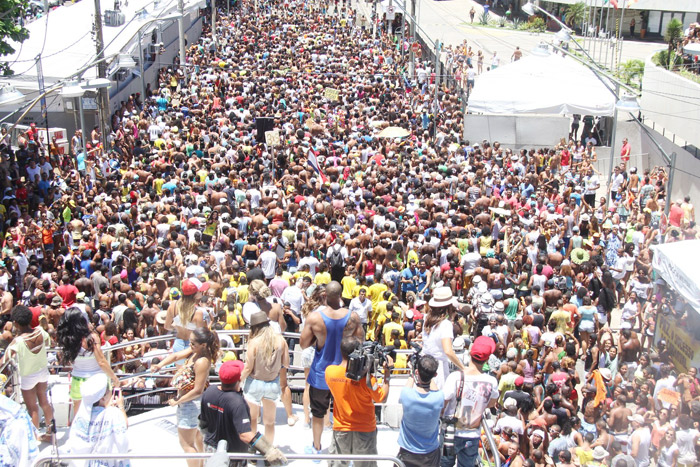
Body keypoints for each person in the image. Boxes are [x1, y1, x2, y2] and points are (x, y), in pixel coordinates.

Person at [300, 281, 363, 456]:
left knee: (318, 413)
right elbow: (360, 344)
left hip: (321, 373)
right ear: (341, 296)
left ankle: (317, 449)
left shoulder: (314, 318)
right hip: (346, 373)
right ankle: (345, 452)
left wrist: (317, 339)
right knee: (345, 413)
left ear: (325, 295)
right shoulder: (353, 317)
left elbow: (303, 344)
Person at [152, 327, 219, 467]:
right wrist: (160, 365)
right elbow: (176, 356)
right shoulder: (196, 352)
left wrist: (178, 401)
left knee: (187, 445)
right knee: (196, 438)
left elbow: (198, 390)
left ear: (203, 345)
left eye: (193, 343)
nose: (190, 345)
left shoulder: (202, 361)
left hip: (190, 405)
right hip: (190, 403)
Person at [200, 360, 288, 467]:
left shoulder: (209, 392)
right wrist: (269, 450)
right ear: (239, 379)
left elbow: (203, 422)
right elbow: (245, 435)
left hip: (211, 450)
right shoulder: (237, 402)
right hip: (233, 455)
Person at [324, 337, 392, 467]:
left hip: (341, 428)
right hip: (365, 429)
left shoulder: (330, 372)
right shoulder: (367, 380)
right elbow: (382, 398)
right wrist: (387, 376)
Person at [441, 336, 499, 467]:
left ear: (470, 353)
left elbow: (442, 404)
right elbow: (491, 404)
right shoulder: (491, 381)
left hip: (451, 432)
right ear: (487, 359)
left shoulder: (455, 377)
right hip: (472, 434)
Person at [57, 308, 120, 421]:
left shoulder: (67, 340)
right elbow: (101, 361)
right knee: (104, 414)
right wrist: (114, 377)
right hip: (96, 380)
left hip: (77, 381)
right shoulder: (91, 338)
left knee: (78, 417)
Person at [3, 305, 54, 441]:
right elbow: (50, 342)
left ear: (16, 323)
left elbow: (3, 361)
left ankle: (32, 440)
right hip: (42, 372)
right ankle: (50, 434)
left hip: (28, 377)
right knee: (44, 402)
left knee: (33, 409)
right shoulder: (40, 332)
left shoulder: (18, 341)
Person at [240, 311, 289, 444]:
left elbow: (249, 367)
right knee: (270, 423)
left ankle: (254, 449)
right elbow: (286, 363)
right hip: (272, 384)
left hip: (254, 383)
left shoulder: (254, 342)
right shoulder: (280, 340)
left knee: (253, 420)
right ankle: (268, 453)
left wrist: (238, 380)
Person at [62, 373, 129, 467]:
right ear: (103, 397)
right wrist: (121, 406)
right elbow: (123, 439)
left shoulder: (81, 415)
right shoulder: (113, 413)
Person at [397, 354, 443, 467]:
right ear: (435, 375)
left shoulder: (406, 394)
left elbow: (409, 384)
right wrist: (428, 374)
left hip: (407, 451)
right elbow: (434, 389)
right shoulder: (439, 397)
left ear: (417, 372)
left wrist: (413, 372)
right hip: (430, 453)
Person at [422, 287, 465, 389]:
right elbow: (448, 351)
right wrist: (463, 368)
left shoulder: (426, 319)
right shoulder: (445, 324)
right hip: (438, 368)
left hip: (423, 364)